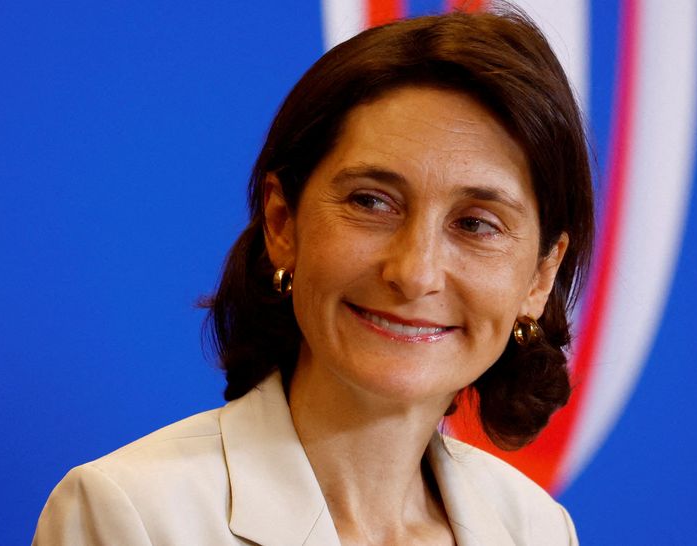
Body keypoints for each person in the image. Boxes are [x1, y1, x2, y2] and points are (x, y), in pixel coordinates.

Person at [34, 7, 593, 545]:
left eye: (476, 223)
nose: (415, 273)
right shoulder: (132, 516)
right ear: (283, 223)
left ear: (541, 277)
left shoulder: (537, 530)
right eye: (372, 202)